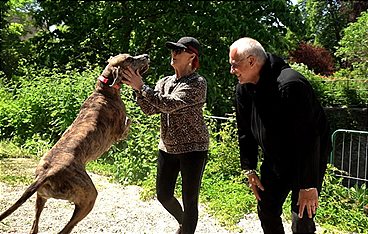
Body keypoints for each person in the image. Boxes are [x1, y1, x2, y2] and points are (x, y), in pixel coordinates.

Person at [229, 37, 331, 234]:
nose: (232, 71)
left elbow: (310, 138)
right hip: (276, 157)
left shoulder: (290, 84)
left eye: (234, 65)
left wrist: (308, 185)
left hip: (308, 157)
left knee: (302, 216)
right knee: (266, 209)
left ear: (251, 61)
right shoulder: (243, 88)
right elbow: (245, 130)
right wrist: (249, 168)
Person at [122, 36, 209, 234]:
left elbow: (168, 105)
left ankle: (186, 228)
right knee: (163, 194)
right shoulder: (164, 81)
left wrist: (142, 87)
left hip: (194, 149)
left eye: (179, 51)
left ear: (191, 56)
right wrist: (138, 91)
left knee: (190, 199)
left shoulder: (198, 83)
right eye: (173, 50)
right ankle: (184, 223)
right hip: (167, 147)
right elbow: (150, 109)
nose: (174, 54)